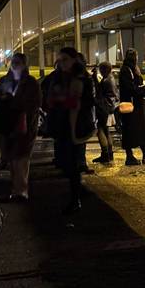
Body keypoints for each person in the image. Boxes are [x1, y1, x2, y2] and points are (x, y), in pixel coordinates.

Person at [45, 47, 95, 214]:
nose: (61, 63)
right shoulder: (58, 77)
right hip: (62, 125)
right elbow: (50, 99)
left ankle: (76, 199)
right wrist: (63, 100)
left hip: (77, 127)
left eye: (65, 59)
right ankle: (78, 191)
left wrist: (64, 99)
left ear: (74, 60)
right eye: (59, 60)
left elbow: (84, 103)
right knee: (65, 163)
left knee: (73, 163)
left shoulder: (83, 78)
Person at [0, 53, 42, 202]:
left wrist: (14, 105)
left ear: (24, 64)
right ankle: (16, 189)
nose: (15, 64)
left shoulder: (31, 82)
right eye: (13, 62)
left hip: (25, 126)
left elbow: (35, 103)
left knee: (21, 158)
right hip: (8, 126)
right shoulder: (4, 80)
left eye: (18, 62)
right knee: (12, 159)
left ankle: (21, 191)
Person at [118, 49, 145, 166]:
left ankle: (144, 152)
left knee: (139, 130)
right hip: (132, 106)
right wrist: (143, 89)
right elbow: (130, 88)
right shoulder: (127, 70)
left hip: (136, 105)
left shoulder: (131, 69)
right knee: (132, 130)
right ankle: (132, 155)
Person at [92, 61, 118, 164]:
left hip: (104, 108)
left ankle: (105, 154)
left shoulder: (106, 80)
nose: (100, 72)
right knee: (106, 130)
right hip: (110, 108)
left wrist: (94, 78)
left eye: (101, 69)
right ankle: (110, 154)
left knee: (100, 130)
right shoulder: (110, 78)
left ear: (104, 69)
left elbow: (99, 91)